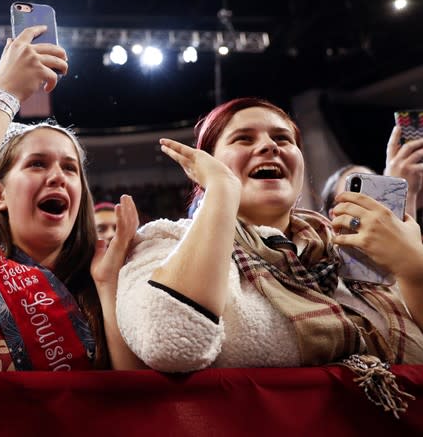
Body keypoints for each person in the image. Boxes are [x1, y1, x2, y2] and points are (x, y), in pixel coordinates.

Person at [117, 97, 423, 375]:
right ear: (202, 166)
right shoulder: (166, 241)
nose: (270, 146)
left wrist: (414, 269)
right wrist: (222, 189)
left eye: (283, 139)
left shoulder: (355, 251)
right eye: (243, 138)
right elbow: (170, 344)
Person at [0, 26, 142, 371]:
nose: (57, 176)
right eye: (37, 164)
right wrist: (4, 91)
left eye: (70, 169)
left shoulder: (111, 275)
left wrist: (109, 283)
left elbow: (135, 395)